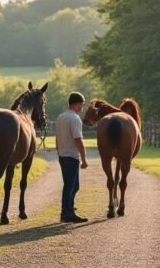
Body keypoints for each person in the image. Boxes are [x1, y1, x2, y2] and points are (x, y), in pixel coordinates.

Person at [56, 91, 89, 223]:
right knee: (70, 185)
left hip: (63, 155)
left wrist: (59, 151)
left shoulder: (61, 117)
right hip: (71, 156)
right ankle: (66, 213)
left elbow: (57, 138)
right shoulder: (74, 118)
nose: (82, 107)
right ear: (76, 103)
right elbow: (78, 139)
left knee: (73, 186)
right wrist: (84, 158)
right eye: (81, 104)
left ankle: (69, 207)